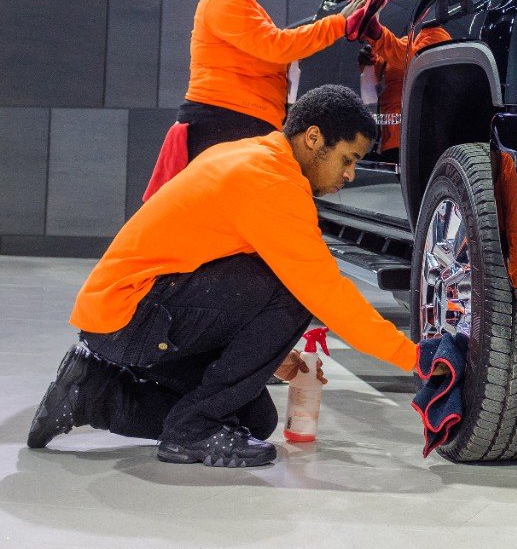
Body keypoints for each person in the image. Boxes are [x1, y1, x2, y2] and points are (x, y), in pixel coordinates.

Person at [27, 85, 419, 468]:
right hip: (132, 316)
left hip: (128, 316)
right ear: (314, 138)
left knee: (255, 420)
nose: (351, 174)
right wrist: (414, 358)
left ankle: (91, 394)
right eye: (348, 159)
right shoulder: (271, 181)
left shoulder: (250, 153)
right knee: (295, 290)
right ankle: (191, 432)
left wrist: (267, 349)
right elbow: (326, 293)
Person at [177, 0, 372, 161]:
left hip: (233, 120)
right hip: (225, 120)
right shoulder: (224, 1)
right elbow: (277, 46)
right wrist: (339, 23)